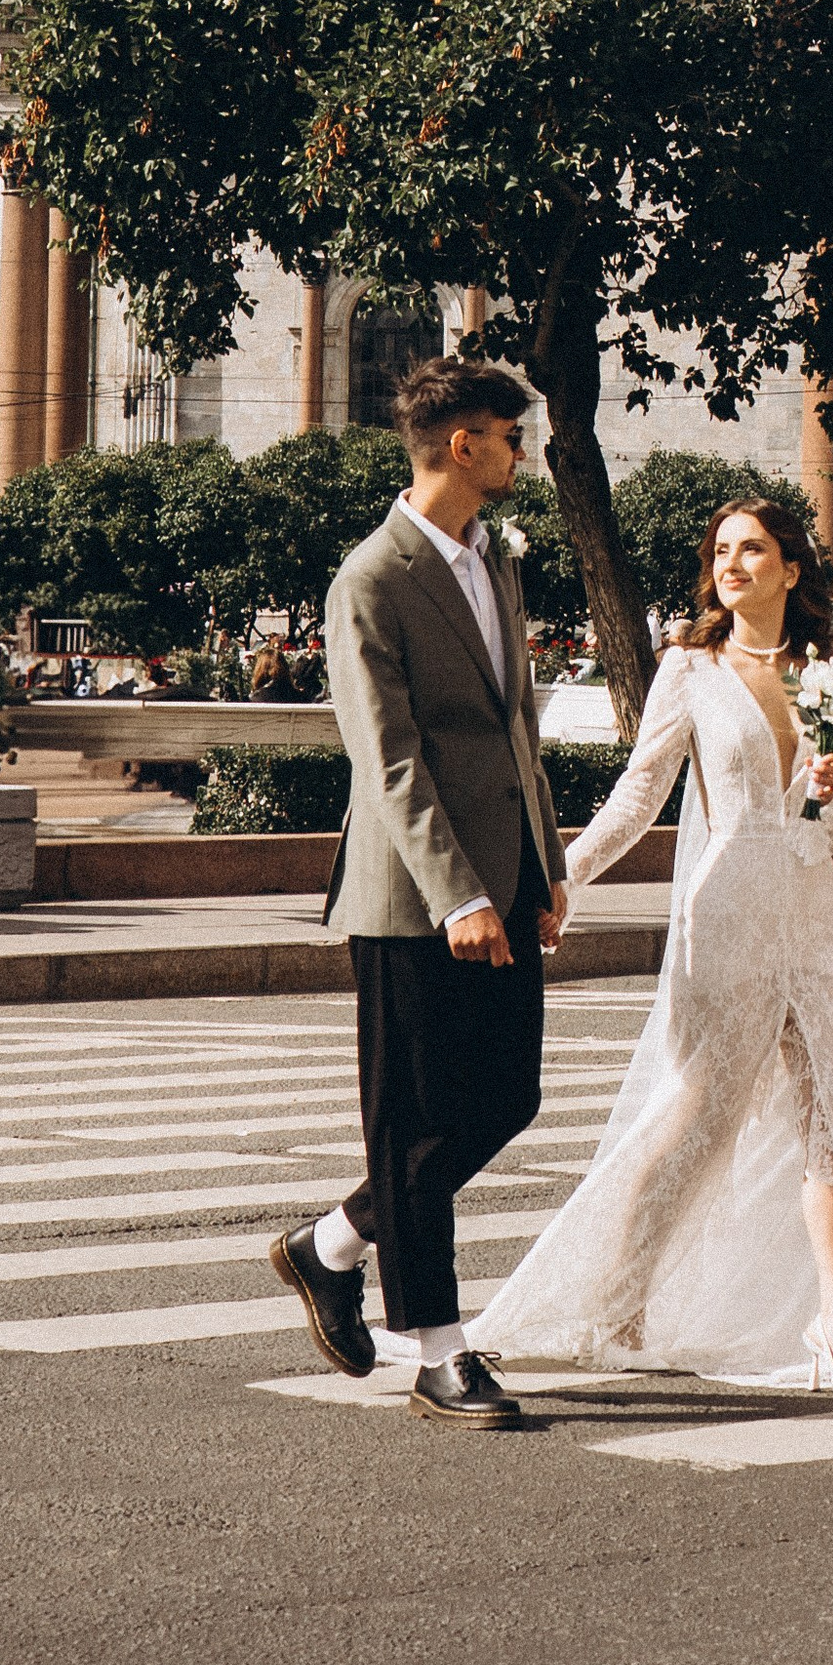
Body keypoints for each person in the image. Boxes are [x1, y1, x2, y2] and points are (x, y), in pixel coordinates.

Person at [471, 499, 833, 1399]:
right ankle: (618, 1311)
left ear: (791, 569)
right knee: (694, 1121)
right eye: (722, 551)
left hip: (811, 918)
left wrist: (826, 790)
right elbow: (637, 795)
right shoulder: (689, 669)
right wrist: (559, 878)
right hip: (725, 918)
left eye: (753, 549)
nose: (732, 564)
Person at [269, 357, 567, 1428]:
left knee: (507, 1099)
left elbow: (515, 727)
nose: (519, 452)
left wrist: (545, 866)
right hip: (411, 898)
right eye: (507, 434)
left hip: (504, 875)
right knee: (412, 1121)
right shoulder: (373, 578)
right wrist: (456, 895)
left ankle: (332, 1243)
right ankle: (439, 1352)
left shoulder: (496, 561)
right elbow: (388, 759)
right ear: (460, 446)